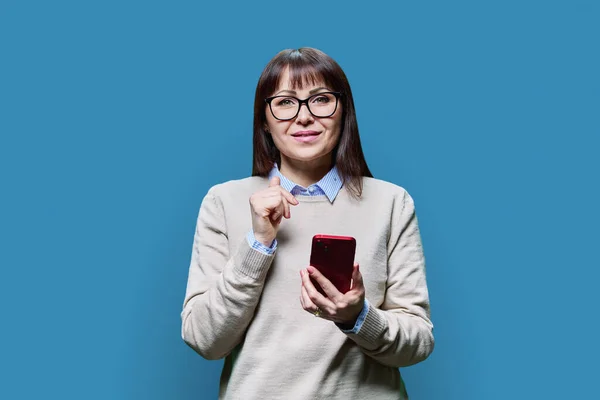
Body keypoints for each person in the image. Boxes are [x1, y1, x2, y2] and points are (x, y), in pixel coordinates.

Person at [181, 47, 434, 399]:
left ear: (343, 112)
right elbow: (204, 340)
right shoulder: (224, 202)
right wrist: (258, 244)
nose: (303, 117)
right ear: (264, 121)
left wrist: (357, 317)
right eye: (285, 102)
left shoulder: (391, 203)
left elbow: (418, 343)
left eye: (321, 100)